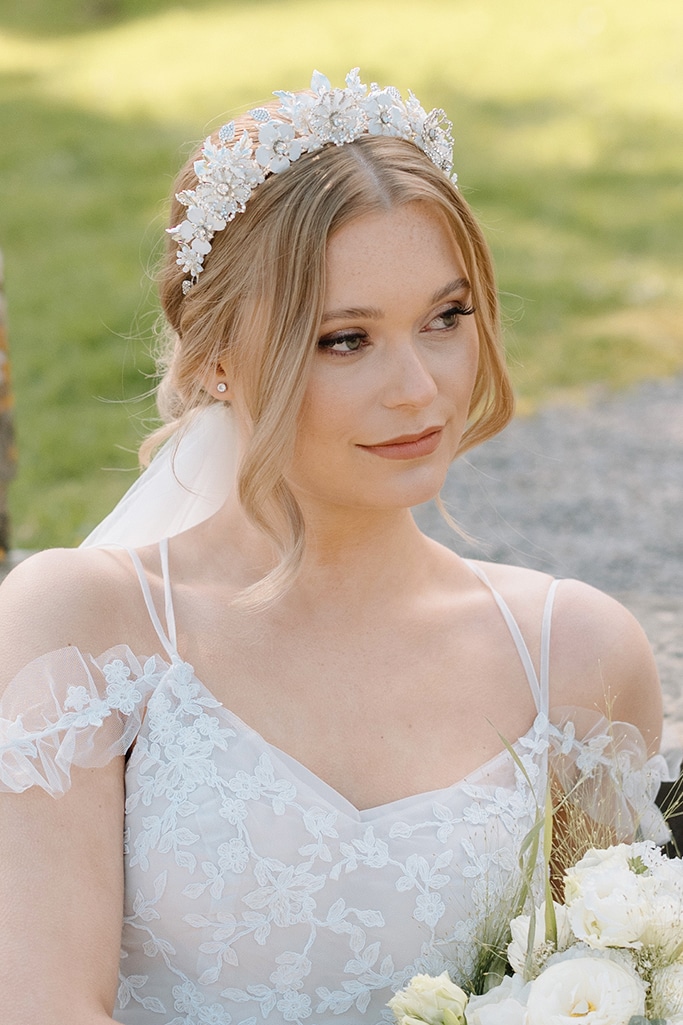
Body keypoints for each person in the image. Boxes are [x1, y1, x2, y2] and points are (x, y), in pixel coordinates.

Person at [0, 70, 669, 1025]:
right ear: (216, 357)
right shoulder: (85, 629)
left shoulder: (575, 655)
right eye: (345, 339)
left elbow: (609, 989)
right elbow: (40, 1004)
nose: (418, 389)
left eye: (446, 318)